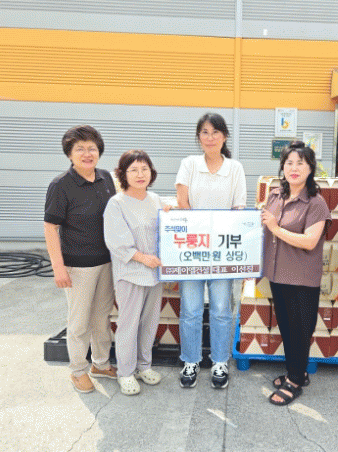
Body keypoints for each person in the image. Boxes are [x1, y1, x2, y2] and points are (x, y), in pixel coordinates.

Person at [175, 113, 247, 389]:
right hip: (193, 248)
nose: (210, 137)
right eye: (204, 132)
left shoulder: (235, 168)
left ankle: (219, 361)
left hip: (222, 250)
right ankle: (190, 360)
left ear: (225, 136)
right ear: (199, 137)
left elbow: (238, 208)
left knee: (220, 309)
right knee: (191, 309)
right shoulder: (189, 164)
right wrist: (201, 231)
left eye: (215, 132)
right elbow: (183, 202)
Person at [44, 125, 117, 394]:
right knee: (79, 322)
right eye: (80, 149)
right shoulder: (61, 185)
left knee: (102, 318)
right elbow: (50, 228)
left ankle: (101, 363)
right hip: (77, 266)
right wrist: (58, 268)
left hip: (106, 262)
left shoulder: (106, 178)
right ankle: (77, 370)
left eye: (92, 148)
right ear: (69, 154)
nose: (87, 154)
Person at [261, 141, 331, 406]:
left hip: (301, 278)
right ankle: (297, 372)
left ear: (310, 168)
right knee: (287, 328)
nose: (294, 168)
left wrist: (276, 228)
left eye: (300, 163)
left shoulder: (316, 202)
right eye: (289, 162)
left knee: (300, 330)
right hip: (278, 275)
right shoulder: (275, 196)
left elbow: (310, 241)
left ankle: (294, 381)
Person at [103, 150, 171, 396]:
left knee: (150, 322)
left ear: (151, 172)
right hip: (130, 273)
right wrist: (144, 259)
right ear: (123, 174)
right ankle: (125, 372)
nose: (140, 174)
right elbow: (116, 241)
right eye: (133, 170)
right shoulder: (117, 203)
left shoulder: (156, 200)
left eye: (144, 169)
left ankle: (144, 366)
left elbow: (168, 230)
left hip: (154, 274)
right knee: (128, 324)